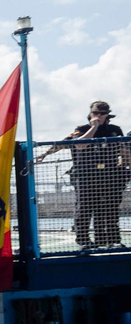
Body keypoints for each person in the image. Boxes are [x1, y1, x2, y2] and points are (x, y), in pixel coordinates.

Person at [45, 101, 127, 249]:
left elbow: (123, 148)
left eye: (102, 113)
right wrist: (93, 127)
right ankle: (83, 240)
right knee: (84, 208)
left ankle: (111, 240)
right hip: (85, 176)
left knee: (110, 208)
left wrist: (124, 161)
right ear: (90, 113)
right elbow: (77, 144)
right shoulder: (82, 129)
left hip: (109, 175)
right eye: (96, 113)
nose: (99, 116)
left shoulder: (114, 130)